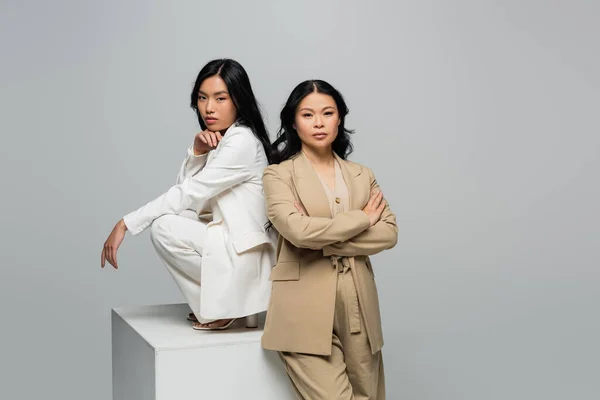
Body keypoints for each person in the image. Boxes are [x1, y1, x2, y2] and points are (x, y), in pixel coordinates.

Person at [101, 59, 277, 330]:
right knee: (174, 217)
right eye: (203, 98)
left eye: (220, 98)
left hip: (245, 250)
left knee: (163, 227)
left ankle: (226, 303)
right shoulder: (225, 138)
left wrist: (125, 223)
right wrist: (197, 153)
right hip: (234, 242)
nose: (209, 108)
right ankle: (220, 304)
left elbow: (189, 192)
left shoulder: (241, 140)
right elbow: (187, 197)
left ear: (238, 101)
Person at [261, 79, 398, 399]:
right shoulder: (278, 175)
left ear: (340, 118)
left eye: (327, 113)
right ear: (293, 122)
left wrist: (316, 237)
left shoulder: (363, 174)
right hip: (302, 306)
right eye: (308, 115)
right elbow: (296, 231)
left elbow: (389, 232)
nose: (319, 122)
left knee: (369, 395)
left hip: (359, 304)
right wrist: (363, 219)